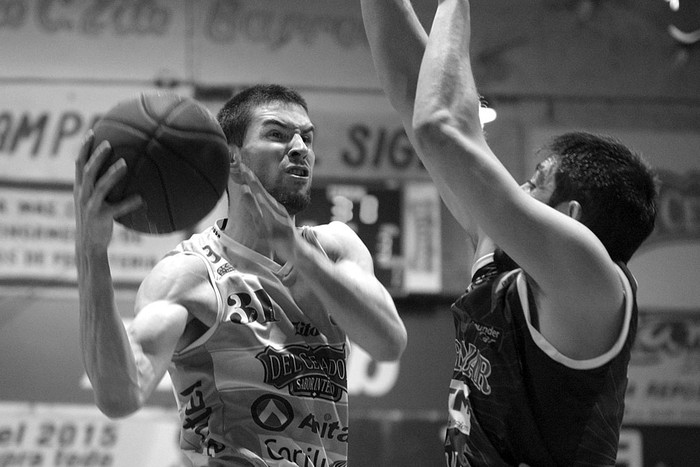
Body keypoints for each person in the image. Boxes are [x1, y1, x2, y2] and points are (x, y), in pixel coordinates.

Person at [361, 1, 657, 466]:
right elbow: (412, 90)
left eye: (535, 181)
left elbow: (438, 126)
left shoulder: (593, 283)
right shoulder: (504, 254)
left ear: (571, 217)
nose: (517, 186)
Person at [73, 84, 407, 466]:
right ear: (232, 159)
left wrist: (296, 251)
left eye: (307, 138)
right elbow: (119, 396)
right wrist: (92, 252)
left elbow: (388, 343)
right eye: (277, 135)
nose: (300, 148)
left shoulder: (335, 249)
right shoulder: (191, 273)